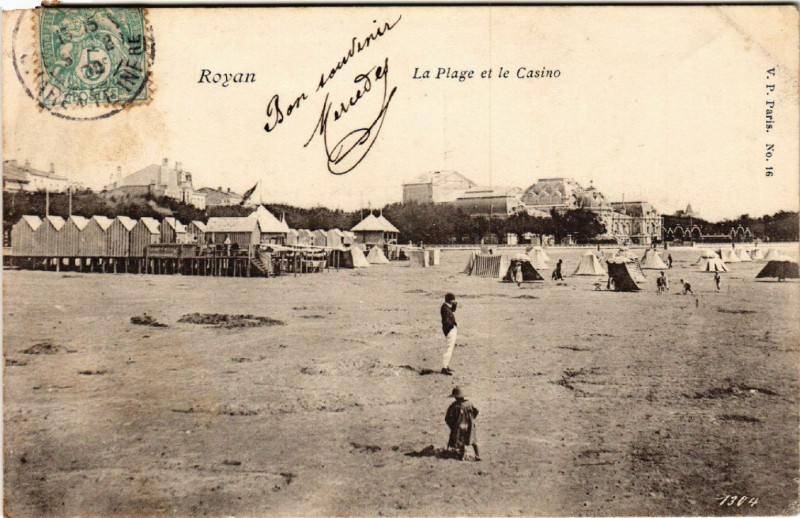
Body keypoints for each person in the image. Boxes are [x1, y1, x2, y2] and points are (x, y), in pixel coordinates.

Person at [445, 386, 480, 461]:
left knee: (461, 441)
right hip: (469, 426)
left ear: (455, 397)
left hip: (459, 426)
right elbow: (476, 411)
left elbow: (448, 418)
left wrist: (452, 426)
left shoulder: (454, 406)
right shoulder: (469, 404)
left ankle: (462, 456)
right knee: (473, 440)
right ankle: (477, 455)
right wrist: (471, 420)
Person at [440, 293, 458, 375]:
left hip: (450, 329)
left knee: (450, 348)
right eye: (453, 299)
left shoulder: (446, 306)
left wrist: (454, 306)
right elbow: (447, 320)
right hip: (450, 329)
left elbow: (452, 310)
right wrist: (451, 326)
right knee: (449, 349)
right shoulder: (445, 308)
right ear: (450, 300)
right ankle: (444, 367)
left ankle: (446, 366)